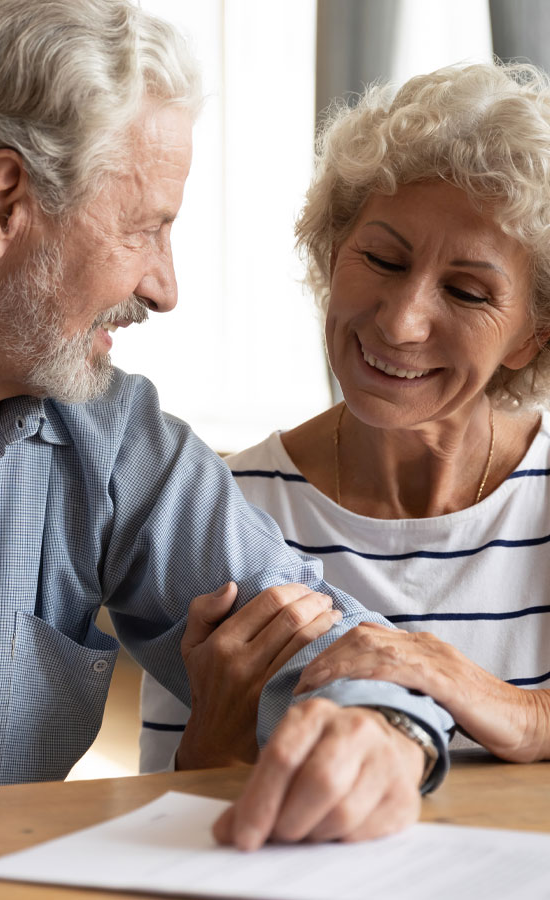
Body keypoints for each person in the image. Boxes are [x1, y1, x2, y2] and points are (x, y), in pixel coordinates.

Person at [0, 0, 453, 848]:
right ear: (3, 204)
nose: (164, 287)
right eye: (143, 228)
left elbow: (323, 634)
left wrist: (382, 736)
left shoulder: (108, 437)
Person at [141, 59, 550, 772]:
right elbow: (167, 831)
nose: (401, 323)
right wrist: (221, 732)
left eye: (467, 292)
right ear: (333, 253)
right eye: (383, 260)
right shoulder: (223, 510)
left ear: (532, 334)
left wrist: (498, 701)